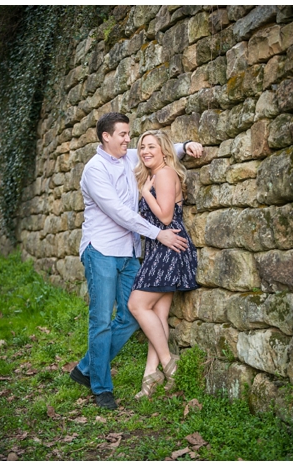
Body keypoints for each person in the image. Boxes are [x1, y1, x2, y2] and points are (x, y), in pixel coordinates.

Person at [69, 112, 202, 409]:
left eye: (130, 135)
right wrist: (159, 234)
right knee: (101, 320)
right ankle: (102, 387)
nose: (130, 140)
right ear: (107, 137)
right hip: (101, 250)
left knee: (130, 316)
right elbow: (119, 212)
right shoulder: (95, 170)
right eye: (124, 135)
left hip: (129, 253)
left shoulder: (129, 158)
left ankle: (86, 368)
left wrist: (189, 144)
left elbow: (164, 149)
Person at [127, 130, 200, 399]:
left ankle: (169, 363)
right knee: (157, 316)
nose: (145, 151)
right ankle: (150, 378)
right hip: (158, 248)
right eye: (142, 147)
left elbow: (167, 217)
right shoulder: (152, 175)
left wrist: (145, 192)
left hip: (170, 247)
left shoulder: (166, 174)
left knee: (136, 304)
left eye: (151, 147)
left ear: (164, 151)